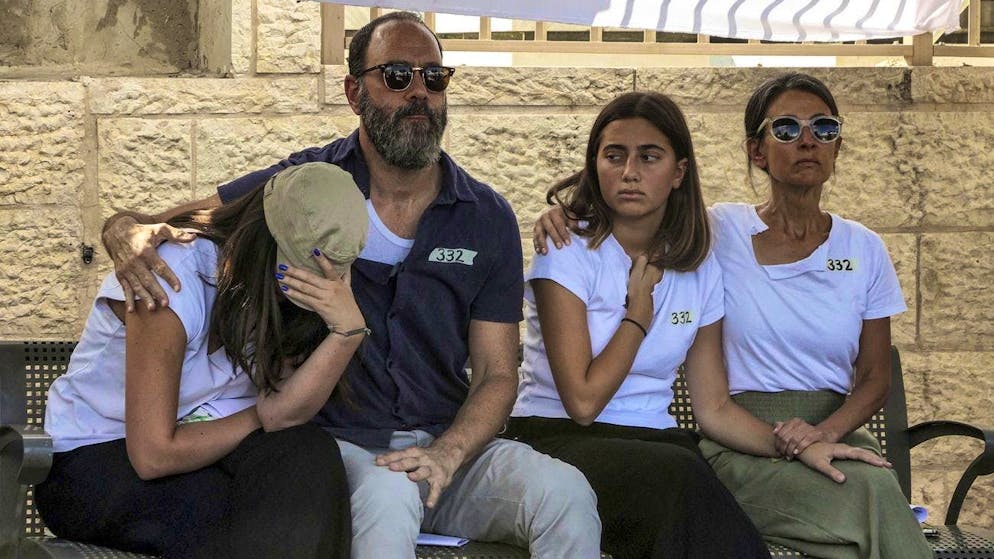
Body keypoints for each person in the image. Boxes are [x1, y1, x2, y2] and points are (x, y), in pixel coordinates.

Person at [98, 11, 600, 559]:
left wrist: (450, 452)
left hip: (451, 451)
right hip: (341, 449)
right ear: (353, 92)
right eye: (397, 76)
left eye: (434, 78)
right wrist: (122, 231)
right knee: (388, 500)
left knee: (566, 494)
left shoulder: (485, 216)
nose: (419, 93)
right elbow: (185, 222)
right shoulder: (307, 187)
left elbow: (499, 374)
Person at [533, 73, 932, 559]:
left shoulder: (708, 255)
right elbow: (585, 401)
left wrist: (812, 440)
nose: (807, 140)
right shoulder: (714, 235)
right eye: (786, 128)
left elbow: (866, 377)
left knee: (850, 515)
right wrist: (567, 220)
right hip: (612, 440)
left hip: (720, 438)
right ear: (756, 151)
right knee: (696, 483)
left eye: (823, 128)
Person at [37, 162, 365, 559]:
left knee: (309, 457)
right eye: (296, 270)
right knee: (235, 514)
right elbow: (154, 455)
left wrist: (346, 332)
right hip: (98, 457)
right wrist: (260, 416)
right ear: (263, 239)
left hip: (206, 440)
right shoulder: (171, 275)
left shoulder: (303, 300)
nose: (305, 287)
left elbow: (286, 417)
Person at [504, 91, 770, 559]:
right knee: (680, 478)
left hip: (656, 443)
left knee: (694, 474)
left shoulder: (700, 263)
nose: (630, 172)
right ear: (595, 165)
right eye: (614, 155)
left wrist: (796, 446)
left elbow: (713, 408)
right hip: (558, 440)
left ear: (679, 172)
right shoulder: (566, 250)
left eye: (649, 157)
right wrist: (637, 316)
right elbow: (583, 403)